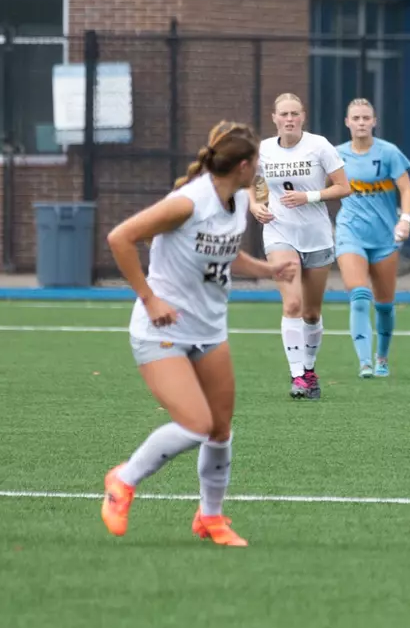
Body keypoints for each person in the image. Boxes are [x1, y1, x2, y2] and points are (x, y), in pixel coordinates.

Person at [100, 121, 290, 547]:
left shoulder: (237, 199)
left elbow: (223, 253)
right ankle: (123, 480)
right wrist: (149, 298)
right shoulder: (188, 202)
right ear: (242, 165)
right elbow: (121, 238)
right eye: (256, 161)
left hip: (209, 330)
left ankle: (210, 518)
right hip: (160, 330)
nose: (259, 168)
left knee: (221, 430)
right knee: (196, 425)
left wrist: (266, 269)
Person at [252, 93, 351, 400]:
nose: (290, 119)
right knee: (292, 304)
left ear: (303, 116)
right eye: (284, 114)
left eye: (295, 113)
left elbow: (344, 187)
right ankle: (297, 376)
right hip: (279, 232)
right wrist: (255, 205)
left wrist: (308, 197)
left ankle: (309, 369)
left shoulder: (319, 145)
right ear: (274, 118)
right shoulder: (264, 150)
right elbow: (250, 185)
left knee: (310, 312)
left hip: (317, 236)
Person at [334, 98, 410, 379]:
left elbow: (406, 189)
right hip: (350, 233)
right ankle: (364, 362)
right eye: (355, 118)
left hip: (383, 237)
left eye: (365, 118)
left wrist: (404, 220)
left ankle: (382, 357)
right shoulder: (336, 155)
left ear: (374, 121)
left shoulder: (389, 153)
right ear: (347, 122)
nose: (360, 123)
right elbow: (320, 189)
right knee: (358, 295)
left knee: (384, 304)